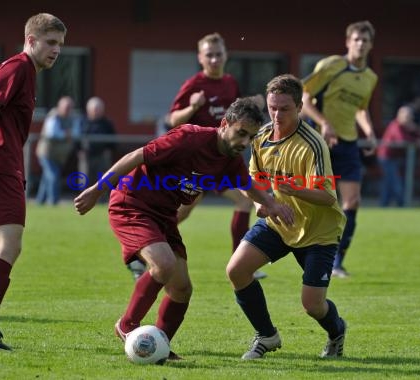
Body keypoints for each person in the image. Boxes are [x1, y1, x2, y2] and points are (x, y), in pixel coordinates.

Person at [73, 97, 294, 359]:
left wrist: (271, 204)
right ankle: (127, 325)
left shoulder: (229, 160)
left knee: (181, 288)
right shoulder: (189, 138)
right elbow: (135, 156)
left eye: (251, 137)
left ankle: (158, 347)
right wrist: (97, 189)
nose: (245, 143)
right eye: (241, 133)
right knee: (163, 265)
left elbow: (247, 186)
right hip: (132, 203)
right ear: (225, 124)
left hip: (164, 216)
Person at [0, 13, 66, 351]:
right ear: (30, 40)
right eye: (50, 43)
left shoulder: (21, 71)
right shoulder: (19, 67)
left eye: (60, 45)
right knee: (9, 244)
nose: (56, 50)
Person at [126, 32, 266, 280]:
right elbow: (171, 120)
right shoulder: (194, 85)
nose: (214, 59)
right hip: (197, 162)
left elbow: (238, 115)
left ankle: (241, 262)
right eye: (209, 55)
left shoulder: (230, 83)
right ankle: (145, 249)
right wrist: (193, 107)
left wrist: (254, 104)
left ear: (226, 55)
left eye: (218, 54)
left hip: (222, 161)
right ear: (200, 58)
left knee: (244, 200)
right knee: (184, 211)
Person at [226, 74, 346, 360]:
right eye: (272, 107)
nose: (277, 115)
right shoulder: (261, 136)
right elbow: (251, 182)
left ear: (300, 107)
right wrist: (259, 204)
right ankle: (266, 336)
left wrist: (293, 189)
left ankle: (337, 330)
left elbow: (328, 196)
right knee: (237, 271)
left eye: (284, 108)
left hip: (318, 233)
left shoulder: (313, 144)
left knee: (312, 306)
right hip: (277, 223)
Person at [300, 20, 378, 278]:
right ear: (348, 42)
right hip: (320, 141)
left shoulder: (369, 78)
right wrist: (324, 123)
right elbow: (303, 97)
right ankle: (286, 245)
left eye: (365, 40)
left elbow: (361, 108)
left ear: (370, 45)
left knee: (352, 201)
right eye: (356, 39)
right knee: (312, 200)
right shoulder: (331, 65)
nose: (360, 44)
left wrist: (369, 131)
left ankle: (337, 262)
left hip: (348, 143)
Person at [35, 96, 81, 205]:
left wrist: (65, 134)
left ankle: (39, 201)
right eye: (65, 107)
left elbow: (77, 133)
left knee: (47, 177)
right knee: (53, 175)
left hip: (60, 155)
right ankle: (53, 201)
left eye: (69, 107)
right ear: (59, 107)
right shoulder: (53, 116)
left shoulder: (74, 117)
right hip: (46, 153)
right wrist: (66, 134)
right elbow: (52, 133)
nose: (67, 110)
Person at [376, 106, 420, 207]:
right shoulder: (395, 125)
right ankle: (401, 203)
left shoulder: (406, 127)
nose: (408, 119)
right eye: (406, 117)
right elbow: (400, 140)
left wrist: (415, 130)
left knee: (388, 182)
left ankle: (384, 204)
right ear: (399, 116)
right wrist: (415, 140)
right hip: (386, 158)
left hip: (394, 158)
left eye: (410, 117)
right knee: (394, 181)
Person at [81, 96, 116, 182]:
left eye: (98, 109)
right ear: (88, 110)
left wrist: (109, 150)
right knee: (85, 180)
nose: (96, 111)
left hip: (102, 156)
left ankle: (104, 196)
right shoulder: (82, 122)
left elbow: (113, 139)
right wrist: (79, 150)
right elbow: (78, 137)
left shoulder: (107, 123)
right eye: (94, 109)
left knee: (103, 180)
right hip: (87, 155)